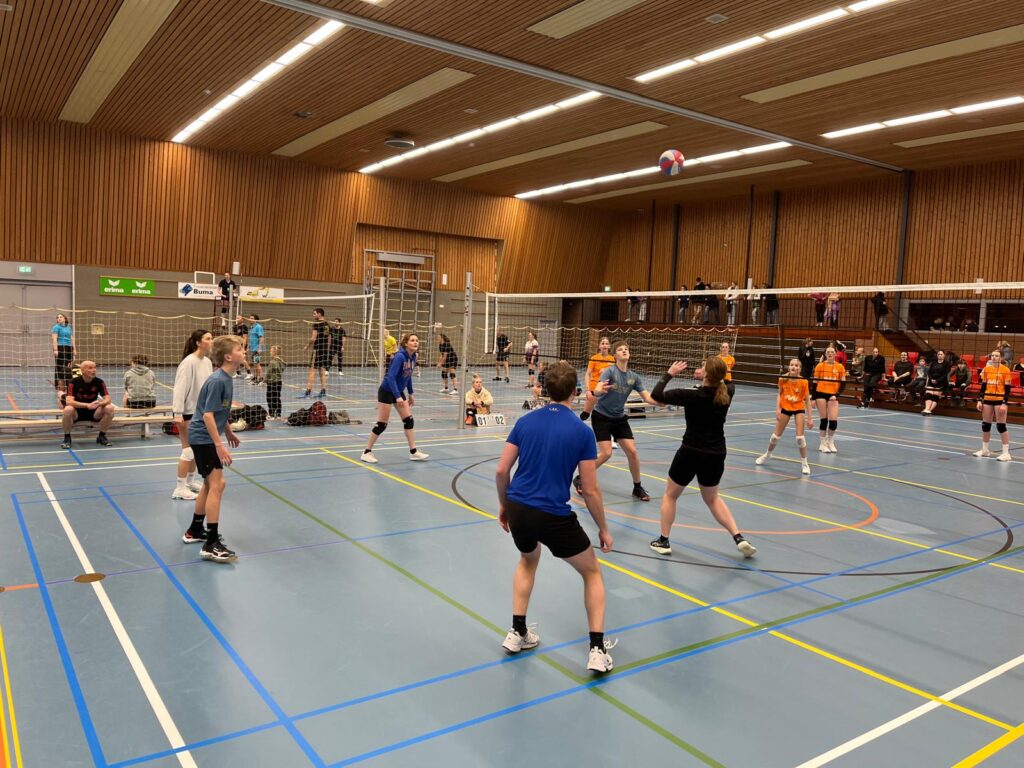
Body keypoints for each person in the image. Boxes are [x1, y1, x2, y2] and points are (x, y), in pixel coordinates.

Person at [495, 360, 615, 673]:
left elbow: (501, 470)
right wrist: (603, 528)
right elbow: (590, 490)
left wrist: (505, 506)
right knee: (592, 572)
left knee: (527, 560)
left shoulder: (525, 422)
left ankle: (517, 632)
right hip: (553, 515)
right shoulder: (582, 432)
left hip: (519, 508)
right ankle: (597, 650)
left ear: (546, 389)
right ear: (575, 392)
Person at [649, 356, 757, 557]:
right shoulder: (728, 392)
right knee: (713, 499)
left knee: (670, 495)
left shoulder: (690, 395)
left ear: (706, 373)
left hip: (690, 451)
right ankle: (738, 537)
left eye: (702, 367)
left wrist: (670, 373)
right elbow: (727, 381)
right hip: (716, 454)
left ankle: (663, 541)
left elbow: (656, 395)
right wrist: (712, 374)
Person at [182, 335, 245, 562]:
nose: (244, 352)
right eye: (240, 349)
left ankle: (195, 530)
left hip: (206, 437)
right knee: (218, 484)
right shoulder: (218, 380)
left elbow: (219, 412)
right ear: (228, 356)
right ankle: (211, 544)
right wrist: (219, 445)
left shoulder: (227, 378)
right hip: (203, 438)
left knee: (210, 484)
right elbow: (208, 415)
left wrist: (227, 431)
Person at [573, 341, 658, 501]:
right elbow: (598, 388)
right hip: (602, 417)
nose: (624, 351)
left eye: (626, 349)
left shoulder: (634, 377)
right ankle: (580, 478)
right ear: (615, 355)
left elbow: (647, 398)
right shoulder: (609, 372)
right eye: (620, 349)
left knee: (633, 452)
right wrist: (598, 391)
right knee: (606, 453)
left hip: (619, 419)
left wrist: (661, 402)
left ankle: (637, 487)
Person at [361, 333, 429, 464]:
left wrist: (411, 393)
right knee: (382, 424)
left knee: (409, 420)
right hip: (387, 391)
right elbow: (391, 377)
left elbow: (408, 376)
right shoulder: (400, 357)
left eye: (417, 340)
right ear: (406, 343)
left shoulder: (414, 356)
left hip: (398, 391)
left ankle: (413, 452)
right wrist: (397, 396)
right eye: (412, 340)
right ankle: (366, 452)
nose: (415, 342)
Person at [172, 330, 214, 500]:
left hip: (201, 411)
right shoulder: (188, 362)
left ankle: (189, 482)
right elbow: (180, 388)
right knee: (188, 451)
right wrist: (178, 412)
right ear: (198, 342)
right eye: (208, 339)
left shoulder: (207, 362)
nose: (211, 341)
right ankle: (179, 488)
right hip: (187, 412)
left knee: (196, 450)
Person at [756, 358, 811, 475]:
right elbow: (779, 394)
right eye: (792, 365)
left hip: (799, 408)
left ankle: (804, 463)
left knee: (800, 438)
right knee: (775, 437)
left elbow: (807, 400)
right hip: (786, 408)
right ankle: (768, 454)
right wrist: (778, 408)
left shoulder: (804, 382)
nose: (794, 367)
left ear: (800, 369)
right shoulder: (783, 379)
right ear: (789, 367)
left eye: (796, 365)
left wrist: (810, 418)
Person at [60, 361, 116, 450]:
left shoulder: (99, 382)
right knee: (68, 409)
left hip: (94, 412)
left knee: (110, 408)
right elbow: (69, 401)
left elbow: (108, 399)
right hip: (77, 412)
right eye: (90, 368)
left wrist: (99, 403)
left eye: (95, 368)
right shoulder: (73, 382)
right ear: (82, 370)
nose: (94, 370)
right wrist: (86, 405)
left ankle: (101, 436)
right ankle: (67, 438)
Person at [975, 351, 1012, 462]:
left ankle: (1006, 453)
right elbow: (983, 386)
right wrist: (980, 400)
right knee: (986, 425)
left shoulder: (1005, 370)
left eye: (996, 356)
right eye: (993, 355)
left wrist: (1004, 403)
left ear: (1001, 358)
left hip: (999, 399)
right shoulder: (987, 369)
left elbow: (1007, 389)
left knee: (1001, 426)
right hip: (988, 398)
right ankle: (985, 450)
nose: (994, 357)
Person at [812, 346, 846, 453]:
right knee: (824, 420)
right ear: (825, 354)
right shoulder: (820, 366)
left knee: (833, 422)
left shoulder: (840, 367)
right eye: (828, 352)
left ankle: (830, 441)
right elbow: (814, 383)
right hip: (820, 394)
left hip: (833, 396)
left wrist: (836, 395)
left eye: (832, 352)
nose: (830, 353)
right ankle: (822, 443)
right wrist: (813, 398)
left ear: (835, 354)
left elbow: (843, 384)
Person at [580, 337, 614, 422]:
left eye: (606, 343)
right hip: (594, 388)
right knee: (585, 414)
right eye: (602, 343)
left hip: (606, 389)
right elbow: (587, 374)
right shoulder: (594, 358)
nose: (604, 345)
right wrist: (587, 390)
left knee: (605, 415)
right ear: (599, 346)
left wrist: (607, 370)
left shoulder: (612, 359)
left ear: (609, 346)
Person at [300, 308, 329, 399]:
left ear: (319, 314)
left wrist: (307, 346)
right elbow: (328, 337)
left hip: (317, 349)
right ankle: (323, 391)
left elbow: (313, 338)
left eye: (314, 313)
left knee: (312, 370)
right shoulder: (327, 324)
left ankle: (308, 392)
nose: (313, 315)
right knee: (322, 370)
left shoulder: (316, 324)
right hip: (325, 349)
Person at [51, 313, 76, 393]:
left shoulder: (69, 327)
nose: (59, 318)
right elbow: (54, 339)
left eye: (60, 317)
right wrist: (55, 349)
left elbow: (72, 338)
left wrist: (74, 349)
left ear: (64, 318)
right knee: (59, 366)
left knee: (68, 365)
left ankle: (67, 382)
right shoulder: (56, 327)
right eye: (57, 317)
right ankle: (58, 384)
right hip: (60, 347)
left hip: (68, 347)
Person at [921, 349, 951, 416]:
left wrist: (937, 380)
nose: (939, 355)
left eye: (941, 354)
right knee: (928, 394)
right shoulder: (933, 362)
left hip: (941, 382)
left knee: (935, 396)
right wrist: (932, 379)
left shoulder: (947, 364)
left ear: (944, 355)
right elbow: (929, 372)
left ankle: (929, 410)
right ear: (937, 355)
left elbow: (945, 374)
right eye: (938, 354)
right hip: (931, 381)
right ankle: (927, 409)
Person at [265, 345, 285, 420]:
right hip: (279, 382)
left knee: (270, 398)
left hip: (272, 382)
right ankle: (278, 414)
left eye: (271, 351)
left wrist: (264, 381)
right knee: (277, 398)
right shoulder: (281, 361)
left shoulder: (272, 362)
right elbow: (283, 367)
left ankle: (271, 415)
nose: (270, 352)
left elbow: (268, 373)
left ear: (275, 352)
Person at [247, 314, 264, 384]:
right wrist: (248, 347)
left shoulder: (258, 327)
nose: (250, 319)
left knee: (257, 363)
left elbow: (261, 338)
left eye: (252, 318)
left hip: (256, 348)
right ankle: (255, 377)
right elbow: (250, 338)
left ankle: (261, 379)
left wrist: (259, 348)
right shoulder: (252, 327)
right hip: (252, 348)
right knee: (254, 364)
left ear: (256, 320)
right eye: (250, 318)